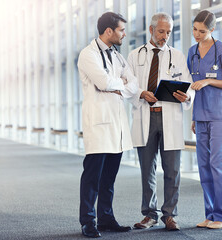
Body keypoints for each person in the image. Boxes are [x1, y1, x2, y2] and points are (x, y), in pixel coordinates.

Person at [127, 12, 194, 231]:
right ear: (151, 30)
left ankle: (170, 215)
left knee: (172, 170)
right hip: (146, 115)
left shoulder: (177, 55)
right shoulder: (134, 55)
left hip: (170, 116)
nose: (165, 36)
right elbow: (127, 86)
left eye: (168, 32)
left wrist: (187, 96)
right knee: (147, 169)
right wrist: (141, 93)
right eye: (161, 31)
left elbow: (188, 85)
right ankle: (149, 214)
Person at [77, 12, 138, 238]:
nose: (124, 33)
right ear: (109, 31)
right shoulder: (88, 54)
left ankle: (105, 218)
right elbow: (103, 82)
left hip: (117, 124)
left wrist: (119, 84)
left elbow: (133, 84)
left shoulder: (117, 55)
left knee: (109, 178)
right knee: (92, 177)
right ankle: (88, 221)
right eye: (121, 30)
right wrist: (120, 82)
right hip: (99, 123)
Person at [187, 10, 222, 229]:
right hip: (201, 116)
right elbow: (193, 87)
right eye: (194, 29)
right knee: (204, 166)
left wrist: (210, 82)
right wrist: (193, 117)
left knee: (219, 165)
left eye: (202, 31)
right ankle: (211, 214)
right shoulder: (192, 52)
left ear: (212, 30)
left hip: (220, 116)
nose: (196, 34)